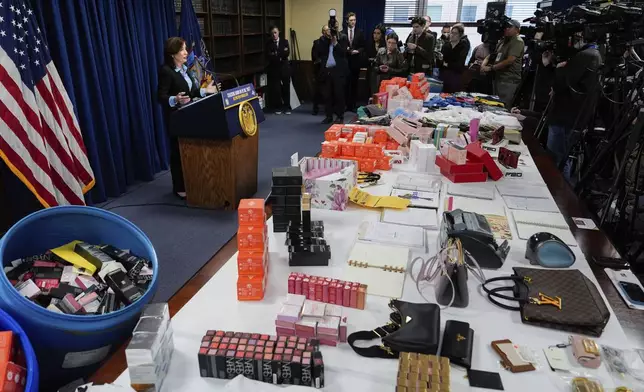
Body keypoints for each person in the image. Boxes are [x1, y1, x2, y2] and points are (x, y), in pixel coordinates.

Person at [157, 37, 219, 199]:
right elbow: (160, 97)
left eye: (186, 49)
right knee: (178, 153)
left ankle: (193, 181)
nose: (186, 53)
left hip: (190, 116)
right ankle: (179, 187)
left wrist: (206, 91)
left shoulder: (185, 69)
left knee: (191, 151)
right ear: (173, 54)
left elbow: (191, 93)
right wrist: (174, 99)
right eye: (182, 50)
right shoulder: (166, 71)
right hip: (176, 119)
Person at [545, 32, 602, 174]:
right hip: (574, 115)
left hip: (566, 116)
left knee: (557, 159)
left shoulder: (586, 56)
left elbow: (562, 84)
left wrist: (558, 69)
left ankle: (558, 192)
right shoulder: (595, 54)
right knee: (561, 157)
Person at [481, 19, 525, 108]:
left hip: (508, 79)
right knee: (495, 105)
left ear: (517, 29)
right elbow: (493, 55)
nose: (506, 29)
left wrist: (491, 68)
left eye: (510, 27)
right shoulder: (503, 40)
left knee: (503, 107)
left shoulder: (517, 41)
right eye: (506, 27)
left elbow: (510, 60)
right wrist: (483, 65)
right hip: (498, 77)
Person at [315, 20, 349, 124]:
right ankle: (328, 116)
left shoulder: (343, 37)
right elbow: (320, 51)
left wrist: (335, 43)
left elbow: (344, 53)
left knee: (339, 95)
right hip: (327, 71)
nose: (332, 29)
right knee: (327, 95)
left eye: (334, 27)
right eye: (330, 27)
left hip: (338, 71)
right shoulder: (323, 40)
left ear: (337, 27)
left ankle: (340, 116)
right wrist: (327, 39)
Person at [265, 26, 291, 115]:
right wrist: (279, 55)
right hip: (274, 68)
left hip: (284, 68)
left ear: (278, 33)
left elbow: (286, 53)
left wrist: (276, 54)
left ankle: (287, 107)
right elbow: (269, 56)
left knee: (286, 87)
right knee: (276, 89)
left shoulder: (285, 41)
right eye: (272, 33)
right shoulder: (268, 43)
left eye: (275, 33)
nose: (274, 35)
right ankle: (278, 106)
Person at [440, 24, 470, 93]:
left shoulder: (463, 46)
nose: (452, 35)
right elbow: (441, 60)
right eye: (451, 33)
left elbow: (459, 63)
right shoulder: (446, 45)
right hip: (444, 73)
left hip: (456, 74)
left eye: (455, 33)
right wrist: (445, 63)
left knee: (453, 93)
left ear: (460, 35)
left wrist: (447, 64)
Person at [345, 12, 366, 112]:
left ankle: (352, 105)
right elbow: (341, 47)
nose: (353, 22)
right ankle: (345, 105)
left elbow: (363, 46)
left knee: (354, 84)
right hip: (346, 62)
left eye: (354, 20)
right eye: (351, 20)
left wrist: (358, 51)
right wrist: (349, 51)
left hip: (356, 62)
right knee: (345, 84)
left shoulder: (359, 32)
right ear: (347, 21)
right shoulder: (342, 32)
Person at [311, 26, 331, 115]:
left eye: (329, 30)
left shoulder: (331, 41)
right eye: (327, 30)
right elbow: (314, 57)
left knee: (330, 90)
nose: (329, 31)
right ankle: (315, 107)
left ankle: (330, 108)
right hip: (320, 69)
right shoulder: (317, 42)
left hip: (330, 69)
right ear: (323, 32)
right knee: (318, 90)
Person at [366, 24, 387, 96]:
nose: (375, 35)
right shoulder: (369, 44)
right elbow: (365, 58)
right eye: (374, 33)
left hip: (382, 73)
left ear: (382, 35)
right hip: (371, 71)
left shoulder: (385, 45)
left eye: (378, 33)